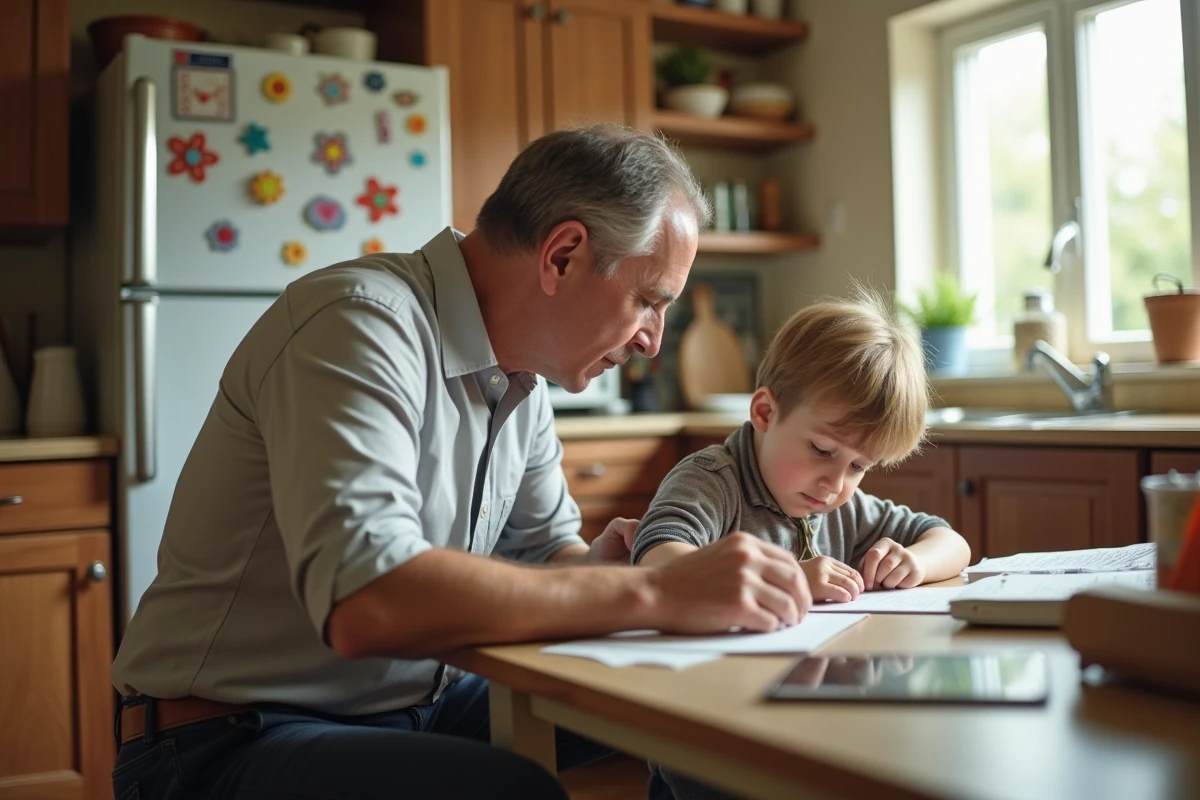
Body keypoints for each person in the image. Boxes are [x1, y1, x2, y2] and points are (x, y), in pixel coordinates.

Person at [108, 123, 814, 800]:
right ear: (562, 256)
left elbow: (548, 556)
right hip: (225, 734)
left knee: (687, 706)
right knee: (511, 793)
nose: (652, 341)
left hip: (418, 701)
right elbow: (367, 600)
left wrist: (611, 571)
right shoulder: (357, 324)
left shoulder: (524, 380)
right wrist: (655, 593)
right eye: (648, 302)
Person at [631, 289, 972, 800]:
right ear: (765, 412)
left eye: (859, 467)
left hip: (800, 735)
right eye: (822, 450)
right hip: (707, 753)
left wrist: (915, 562)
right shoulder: (711, 481)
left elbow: (950, 541)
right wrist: (788, 578)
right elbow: (659, 559)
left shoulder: (840, 506)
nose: (836, 483)